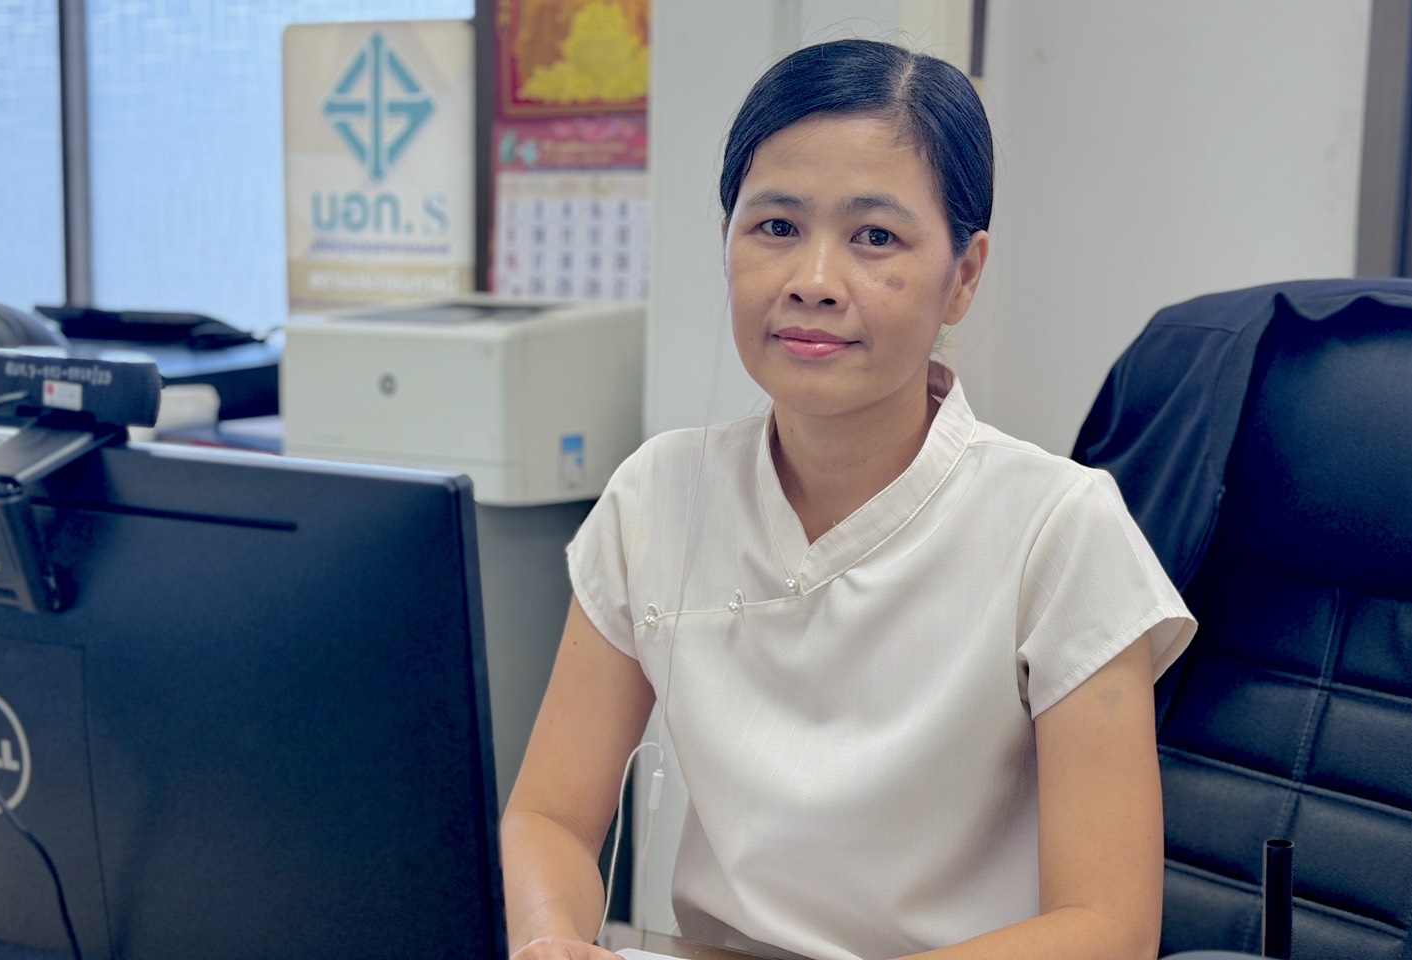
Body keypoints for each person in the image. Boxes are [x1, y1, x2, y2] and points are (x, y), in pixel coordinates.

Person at [501, 38, 1195, 960]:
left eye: (875, 237)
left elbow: (1109, 928)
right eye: (775, 226)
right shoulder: (658, 495)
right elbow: (550, 816)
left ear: (964, 275)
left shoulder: (1060, 529)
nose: (814, 282)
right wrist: (549, 940)